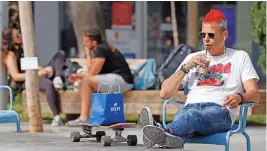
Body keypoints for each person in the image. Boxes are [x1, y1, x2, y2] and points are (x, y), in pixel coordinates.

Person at [139, 9, 260, 149]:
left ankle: (161, 130)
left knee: (189, 117)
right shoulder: (192, 58)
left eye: (211, 35)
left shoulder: (239, 57)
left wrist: (240, 97)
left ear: (224, 35)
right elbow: (164, 93)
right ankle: (166, 136)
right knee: (182, 123)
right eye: (203, 34)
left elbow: (254, 95)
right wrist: (186, 67)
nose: (206, 39)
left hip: (219, 112)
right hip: (188, 110)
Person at [67, 28, 134, 126]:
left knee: (86, 82)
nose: (84, 44)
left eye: (86, 42)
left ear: (94, 42)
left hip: (123, 80)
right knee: (83, 83)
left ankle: (84, 117)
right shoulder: (99, 48)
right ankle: (89, 116)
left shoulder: (101, 49)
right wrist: (79, 75)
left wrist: (80, 76)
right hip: (114, 79)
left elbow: (92, 73)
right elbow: (91, 71)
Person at [1, 28, 65, 126]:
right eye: (17, 35)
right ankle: (56, 116)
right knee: (48, 84)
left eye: (20, 33)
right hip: (25, 80)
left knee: (60, 54)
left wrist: (42, 70)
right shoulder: (10, 55)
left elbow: (32, 64)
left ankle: (57, 78)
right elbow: (16, 76)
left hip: (35, 74)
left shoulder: (22, 49)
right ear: (11, 40)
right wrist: (37, 74)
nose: (20, 36)